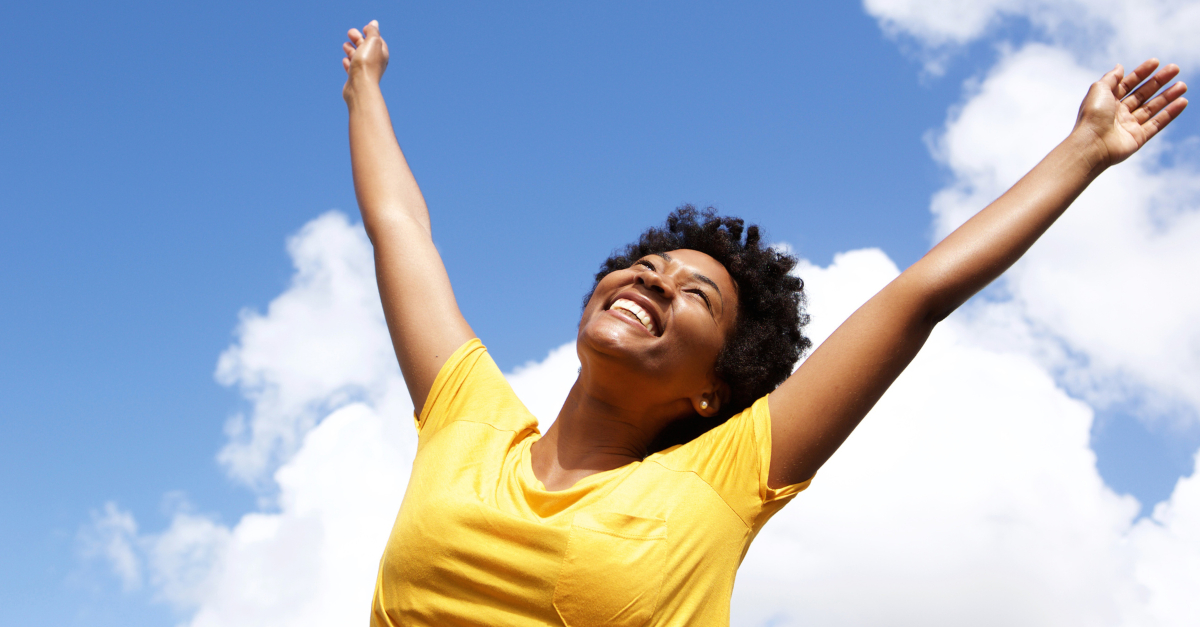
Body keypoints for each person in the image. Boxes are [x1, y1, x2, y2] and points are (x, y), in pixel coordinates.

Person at [340, 19, 1188, 627]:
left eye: (696, 294)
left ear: (715, 389)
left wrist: (1083, 150)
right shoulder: (468, 422)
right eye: (649, 265)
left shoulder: (721, 476)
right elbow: (400, 227)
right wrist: (366, 89)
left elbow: (915, 298)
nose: (654, 279)